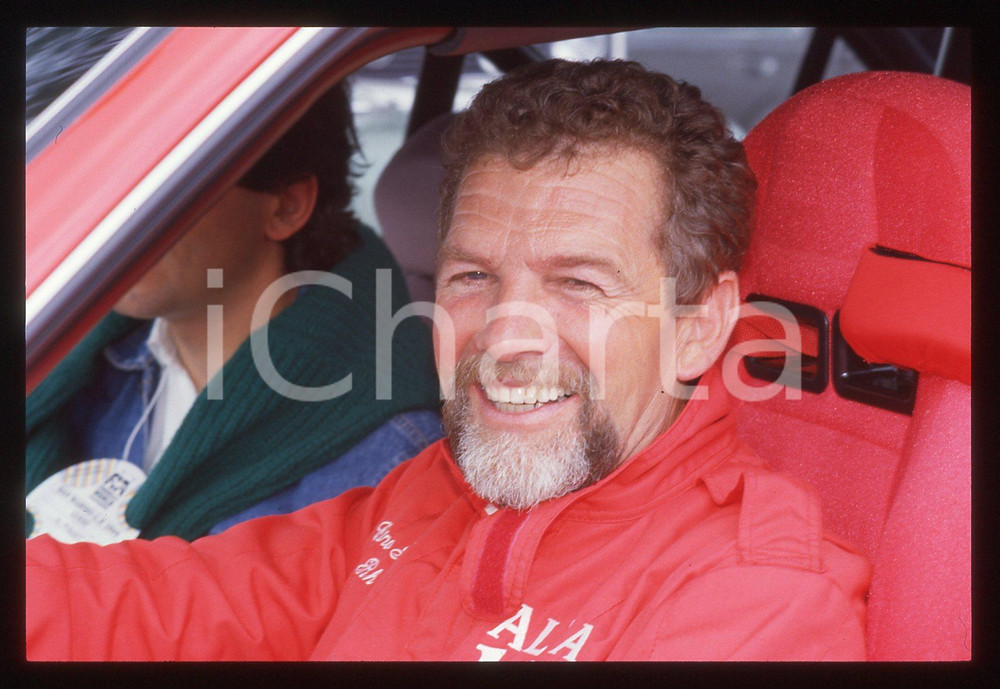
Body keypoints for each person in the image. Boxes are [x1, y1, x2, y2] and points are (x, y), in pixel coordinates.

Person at [26, 59, 870, 660]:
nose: (507, 334)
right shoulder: (435, 490)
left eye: (577, 282)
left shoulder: (758, 609)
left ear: (698, 325)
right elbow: (163, 606)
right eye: (473, 276)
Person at [24, 82, 442, 542]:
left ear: (286, 206)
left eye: (166, 181)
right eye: (110, 177)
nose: (119, 211)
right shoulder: (69, 361)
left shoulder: (389, 461)